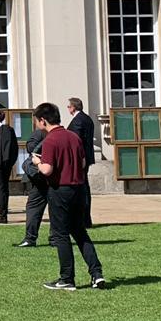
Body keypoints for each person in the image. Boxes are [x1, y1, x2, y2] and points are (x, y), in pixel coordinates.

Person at [32, 102, 105, 291]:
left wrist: (36, 162)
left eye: (37, 121)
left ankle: (67, 278)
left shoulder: (50, 140)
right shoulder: (73, 137)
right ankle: (96, 274)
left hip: (60, 190)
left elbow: (47, 170)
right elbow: (82, 162)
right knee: (80, 232)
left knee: (61, 234)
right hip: (78, 188)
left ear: (43, 120)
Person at [17, 126, 51, 249]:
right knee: (39, 208)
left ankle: (31, 238)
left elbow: (31, 148)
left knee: (34, 207)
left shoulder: (39, 133)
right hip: (49, 177)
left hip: (41, 176)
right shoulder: (60, 134)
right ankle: (52, 238)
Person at [65, 97, 96, 226]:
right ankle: (85, 219)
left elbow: (75, 141)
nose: (68, 109)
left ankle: (84, 219)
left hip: (80, 159)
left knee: (82, 188)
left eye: (68, 106)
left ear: (73, 107)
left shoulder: (78, 121)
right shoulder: (86, 118)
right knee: (84, 187)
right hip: (85, 158)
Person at [0, 109, 19, 223]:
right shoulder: (10, 130)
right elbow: (14, 147)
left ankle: (3, 215)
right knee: (5, 187)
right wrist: (12, 161)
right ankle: (4, 213)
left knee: (0, 188)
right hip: (6, 160)